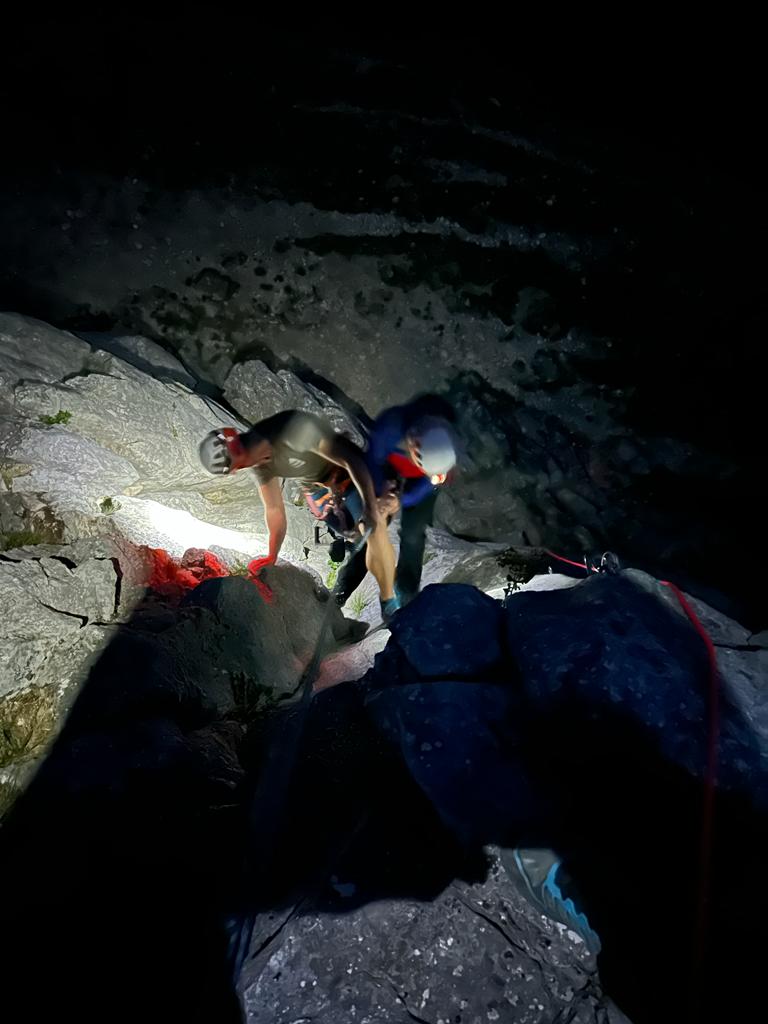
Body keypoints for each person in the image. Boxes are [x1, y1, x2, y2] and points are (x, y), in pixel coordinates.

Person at [199, 410, 400, 618]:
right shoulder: (260, 466)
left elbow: (351, 459)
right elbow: (274, 509)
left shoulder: (291, 432)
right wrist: (272, 555)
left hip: (347, 473)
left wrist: (369, 505)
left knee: (370, 534)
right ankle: (353, 553)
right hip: (317, 487)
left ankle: (382, 596)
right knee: (356, 537)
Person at [334, 394, 458, 608]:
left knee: (413, 535)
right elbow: (371, 465)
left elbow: (429, 483)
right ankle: (341, 591)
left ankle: (406, 597)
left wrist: (401, 499)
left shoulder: (445, 448)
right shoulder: (390, 427)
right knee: (372, 527)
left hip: (419, 484)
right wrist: (379, 498)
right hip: (387, 470)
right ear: (414, 444)